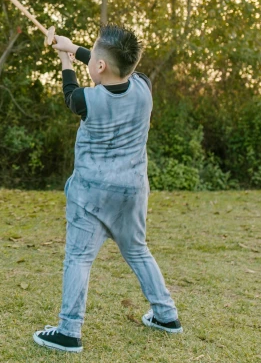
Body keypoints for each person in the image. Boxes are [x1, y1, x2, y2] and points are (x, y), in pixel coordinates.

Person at [33, 24, 181, 353]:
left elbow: (70, 93)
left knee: (79, 258)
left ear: (100, 66)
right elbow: (109, 68)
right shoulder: (144, 86)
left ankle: (69, 330)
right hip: (131, 193)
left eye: (93, 59)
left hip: (91, 195)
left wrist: (65, 57)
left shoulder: (86, 99)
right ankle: (166, 315)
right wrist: (74, 47)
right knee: (138, 250)